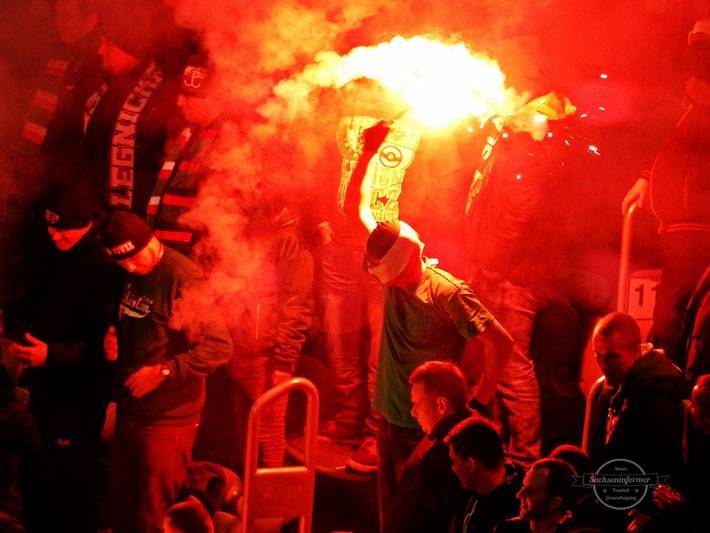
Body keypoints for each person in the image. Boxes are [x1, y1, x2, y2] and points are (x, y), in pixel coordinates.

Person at [343, 121, 514, 528]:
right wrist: (368, 153)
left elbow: (500, 343)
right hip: (388, 417)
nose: (387, 284)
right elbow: (358, 210)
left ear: (410, 260)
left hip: (427, 432)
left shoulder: (448, 293)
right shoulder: (392, 258)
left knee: (418, 521)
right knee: (391, 518)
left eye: (392, 276)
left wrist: (480, 401)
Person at [2, 183, 124, 532]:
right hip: (44, 388)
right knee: (35, 474)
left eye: (62, 229)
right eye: (50, 228)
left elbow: (104, 344)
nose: (55, 236)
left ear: (86, 222)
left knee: (68, 484)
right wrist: (8, 319)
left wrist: (51, 355)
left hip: (79, 395)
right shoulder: (59, 250)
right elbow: (38, 301)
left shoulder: (105, 267)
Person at [103, 211, 232, 533]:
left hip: (168, 420)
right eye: (123, 264)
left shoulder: (183, 278)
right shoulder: (135, 271)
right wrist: (113, 338)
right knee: (121, 507)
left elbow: (219, 347)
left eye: (134, 259)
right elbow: (140, 321)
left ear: (150, 241)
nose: (131, 268)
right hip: (132, 410)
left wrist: (164, 372)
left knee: (155, 516)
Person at [621, 18, 710, 359]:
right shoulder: (689, 109)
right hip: (677, 228)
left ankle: (682, 399)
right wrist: (647, 176)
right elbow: (669, 145)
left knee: (683, 324)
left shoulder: (700, 99)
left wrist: (699, 32)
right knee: (671, 321)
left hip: (698, 227)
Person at [587, 312, 687, 531]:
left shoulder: (658, 399)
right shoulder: (623, 387)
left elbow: (666, 465)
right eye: (598, 355)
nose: (603, 364)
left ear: (636, 349)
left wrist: (653, 517)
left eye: (612, 356)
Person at [83, 0, 176, 217]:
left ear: (132, 50)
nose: (99, 50)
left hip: (137, 219)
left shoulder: (164, 96)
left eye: (109, 45)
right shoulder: (102, 83)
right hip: (95, 210)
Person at [384, 361, 472, 533]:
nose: (413, 412)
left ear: (441, 405)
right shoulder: (447, 436)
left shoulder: (446, 456)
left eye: (417, 404)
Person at [446, 416, 523, 533]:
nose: (453, 468)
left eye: (454, 461)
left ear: (470, 464)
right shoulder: (473, 491)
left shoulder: (515, 513)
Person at [512, 458, 578, 533]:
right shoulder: (508, 529)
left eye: (530, 491)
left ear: (554, 502)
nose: (519, 495)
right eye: (523, 486)